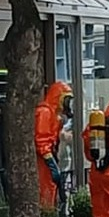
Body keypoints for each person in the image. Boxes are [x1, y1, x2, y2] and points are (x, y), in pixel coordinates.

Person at [35, 81, 74, 209]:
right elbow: (42, 141)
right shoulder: (45, 112)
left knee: (50, 194)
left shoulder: (52, 114)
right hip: (43, 162)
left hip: (48, 159)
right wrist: (51, 164)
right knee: (45, 194)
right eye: (66, 100)